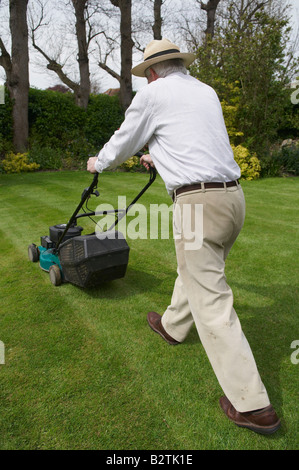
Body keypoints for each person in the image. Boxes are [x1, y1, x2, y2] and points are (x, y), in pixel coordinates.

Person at [87, 38, 281, 435]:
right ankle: (172, 325)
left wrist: (99, 161)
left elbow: (125, 138)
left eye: (146, 75)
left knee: (211, 299)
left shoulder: (154, 94)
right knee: (197, 270)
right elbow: (198, 143)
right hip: (233, 200)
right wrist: (159, 155)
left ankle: (252, 404)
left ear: (153, 71)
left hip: (197, 206)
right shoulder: (204, 92)